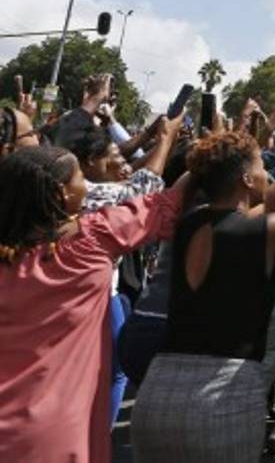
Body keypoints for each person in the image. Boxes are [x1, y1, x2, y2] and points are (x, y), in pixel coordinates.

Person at [130, 130, 275, 462]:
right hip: (221, 399)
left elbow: (263, 204)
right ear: (245, 178)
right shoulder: (266, 232)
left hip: (157, 393)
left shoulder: (189, 222)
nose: (266, 174)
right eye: (260, 167)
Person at [0, 146, 186, 462]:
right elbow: (166, 203)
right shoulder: (93, 240)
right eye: (80, 178)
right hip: (57, 434)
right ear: (62, 194)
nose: (87, 186)